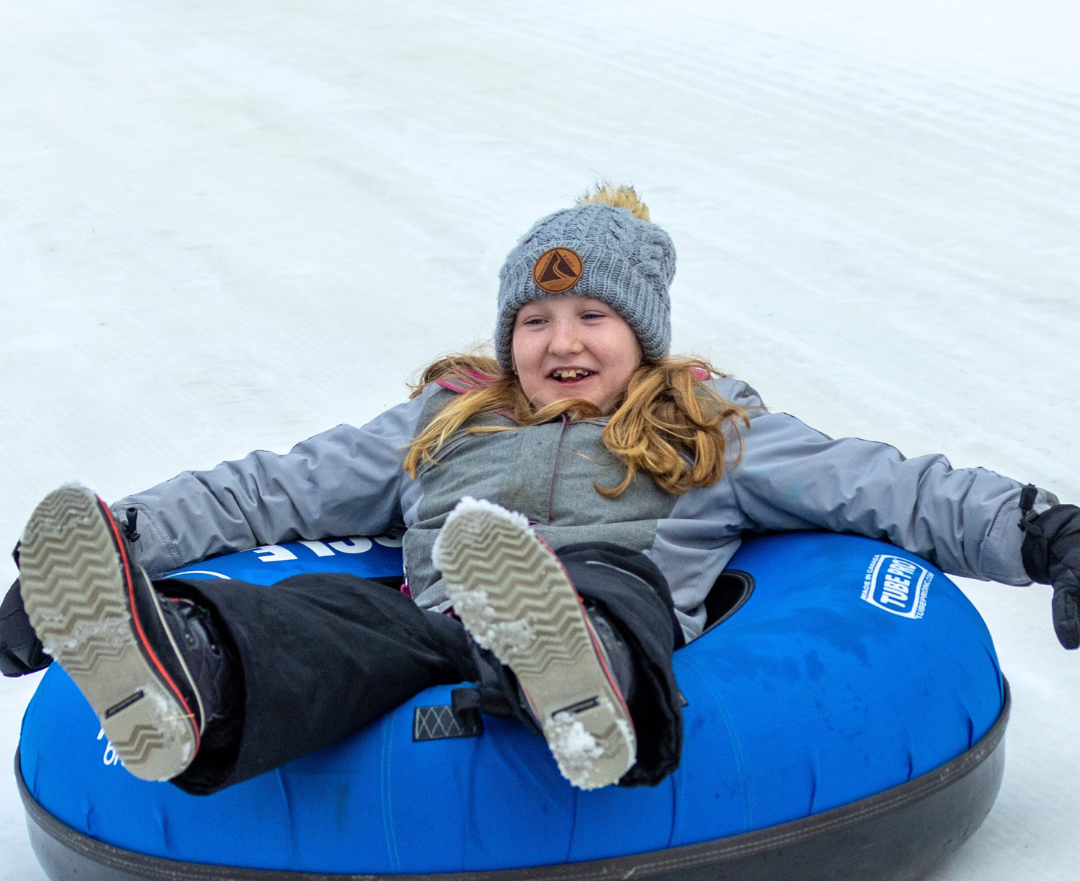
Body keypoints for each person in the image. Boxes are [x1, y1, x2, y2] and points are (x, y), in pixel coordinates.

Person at [2, 184, 1078, 797]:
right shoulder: (447, 417)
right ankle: (181, 674)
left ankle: (580, 684)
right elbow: (271, 493)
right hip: (435, 613)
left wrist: (1048, 534)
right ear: (506, 334)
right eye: (534, 322)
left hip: (610, 597)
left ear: (643, 333)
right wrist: (128, 541)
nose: (561, 345)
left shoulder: (709, 426)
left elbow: (886, 489)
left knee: (607, 583)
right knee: (325, 619)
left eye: (592, 319)